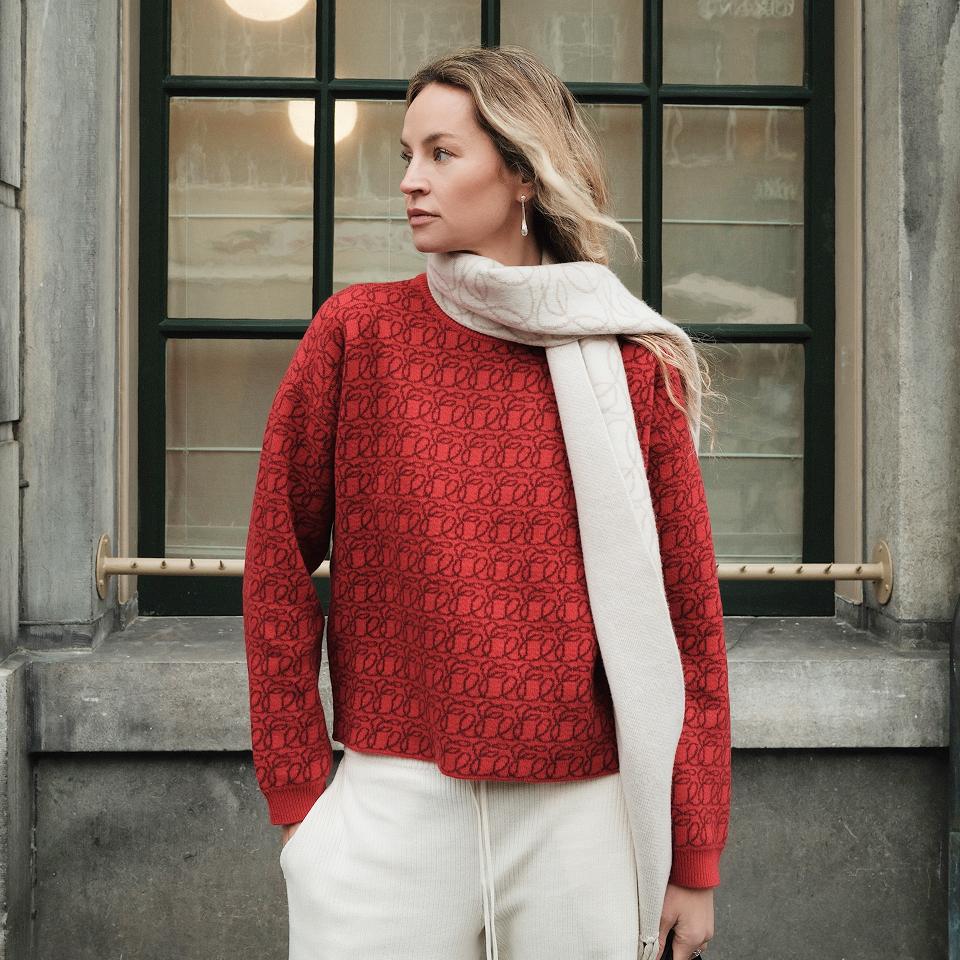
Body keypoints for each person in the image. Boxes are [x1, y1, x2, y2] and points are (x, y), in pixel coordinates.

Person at [243, 44, 730, 960]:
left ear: (520, 172)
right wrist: (303, 799)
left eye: (440, 153)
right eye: (405, 155)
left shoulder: (631, 366)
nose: (409, 182)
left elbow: (689, 621)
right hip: (388, 807)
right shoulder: (359, 336)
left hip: (583, 816)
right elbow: (275, 561)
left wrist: (693, 858)